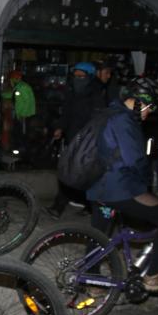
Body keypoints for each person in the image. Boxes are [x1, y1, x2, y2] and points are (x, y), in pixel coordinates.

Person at [87, 77, 158, 293]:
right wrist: (145, 181)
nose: (148, 113)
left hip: (99, 185)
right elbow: (134, 160)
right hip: (118, 187)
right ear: (140, 102)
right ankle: (153, 276)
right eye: (149, 107)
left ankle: (91, 280)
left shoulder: (110, 112)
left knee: (99, 234)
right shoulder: (124, 121)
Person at [45, 62, 106, 219]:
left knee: (84, 173)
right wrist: (60, 128)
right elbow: (67, 113)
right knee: (69, 170)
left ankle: (89, 206)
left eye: (81, 76)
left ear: (90, 77)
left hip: (88, 141)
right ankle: (61, 206)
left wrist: (89, 139)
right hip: (72, 137)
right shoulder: (72, 90)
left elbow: (98, 119)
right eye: (76, 76)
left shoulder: (97, 93)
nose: (78, 79)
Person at [4, 69, 36, 153]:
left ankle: (23, 150)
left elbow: (27, 102)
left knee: (22, 133)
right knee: (19, 132)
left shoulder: (22, 87)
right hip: (21, 114)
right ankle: (20, 149)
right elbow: (12, 95)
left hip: (24, 115)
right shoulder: (19, 86)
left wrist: (23, 114)